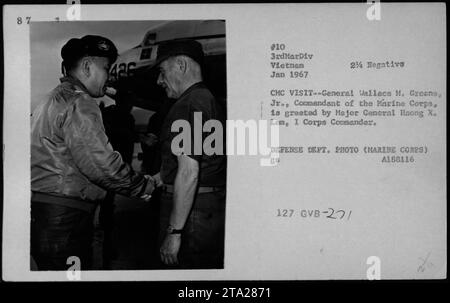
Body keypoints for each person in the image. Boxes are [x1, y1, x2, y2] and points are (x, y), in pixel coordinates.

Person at [30, 35, 155, 270]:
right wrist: (144, 186)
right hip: (67, 217)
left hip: (44, 213)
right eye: (106, 68)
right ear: (87, 66)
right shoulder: (80, 103)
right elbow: (101, 165)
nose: (108, 76)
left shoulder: (50, 100)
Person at [152, 39, 226, 269]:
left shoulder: (188, 104)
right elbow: (200, 159)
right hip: (205, 209)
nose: (159, 81)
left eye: (162, 72)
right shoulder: (207, 99)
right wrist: (159, 178)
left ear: (181, 65)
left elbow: (189, 171)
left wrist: (174, 232)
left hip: (191, 214)